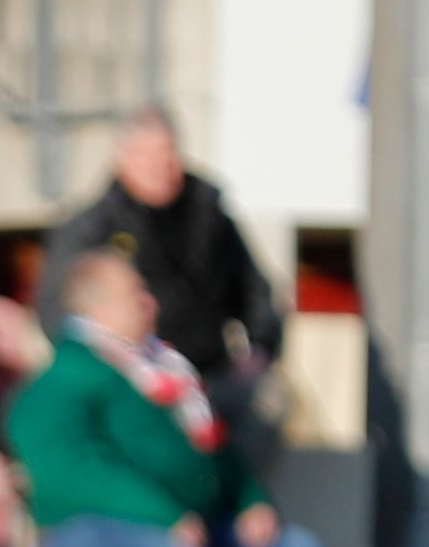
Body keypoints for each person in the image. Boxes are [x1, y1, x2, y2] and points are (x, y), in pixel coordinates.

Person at [10, 247, 429, 547]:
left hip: (195, 529)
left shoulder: (159, 368)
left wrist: (250, 501)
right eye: (134, 295)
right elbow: (74, 472)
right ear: (94, 309)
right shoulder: (64, 379)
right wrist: (164, 516)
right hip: (98, 532)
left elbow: (214, 448)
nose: (150, 303)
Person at [39, 106, 281, 392]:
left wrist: (260, 351)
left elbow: (253, 288)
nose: (159, 164)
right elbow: (58, 312)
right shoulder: (92, 229)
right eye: (145, 154)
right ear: (122, 158)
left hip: (211, 372)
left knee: (268, 407)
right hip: (134, 381)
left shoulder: (208, 214)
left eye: (167, 151)